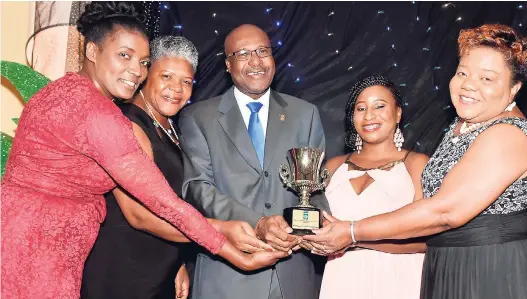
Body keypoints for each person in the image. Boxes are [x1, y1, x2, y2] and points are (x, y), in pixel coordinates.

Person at [1, 3, 285, 298]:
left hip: (30, 236)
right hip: (42, 249)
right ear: (92, 52)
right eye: (124, 55)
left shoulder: (65, 90)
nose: (135, 70)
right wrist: (230, 247)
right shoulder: (101, 117)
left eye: (143, 61)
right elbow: (161, 203)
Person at [304, 24, 527, 299]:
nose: (468, 85)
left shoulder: (508, 134)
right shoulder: (464, 125)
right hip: (452, 265)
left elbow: (445, 211)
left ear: (514, 88)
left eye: (487, 79)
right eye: (462, 72)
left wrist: (353, 232)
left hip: (494, 270)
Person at [81, 35, 272, 299]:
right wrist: (221, 233)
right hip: (123, 270)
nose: (176, 89)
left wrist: (177, 262)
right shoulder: (128, 125)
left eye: (186, 81)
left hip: (158, 267)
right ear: (146, 75)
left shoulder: (170, 127)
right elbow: (140, 215)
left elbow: (172, 202)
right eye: (166, 77)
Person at [179, 24, 329, 299]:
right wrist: (257, 223)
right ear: (227, 64)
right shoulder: (199, 117)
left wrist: (322, 228)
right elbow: (197, 187)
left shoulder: (305, 114)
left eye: (262, 51)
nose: (256, 61)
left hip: (294, 273)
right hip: (226, 275)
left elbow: (314, 189)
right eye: (243, 53)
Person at [317, 75, 427, 299]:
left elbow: (427, 240)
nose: (369, 116)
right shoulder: (332, 166)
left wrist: (353, 238)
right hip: (341, 281)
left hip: (399, 282)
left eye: (379, 106)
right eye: (361, 108)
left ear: (397, 113)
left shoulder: (417, 164)